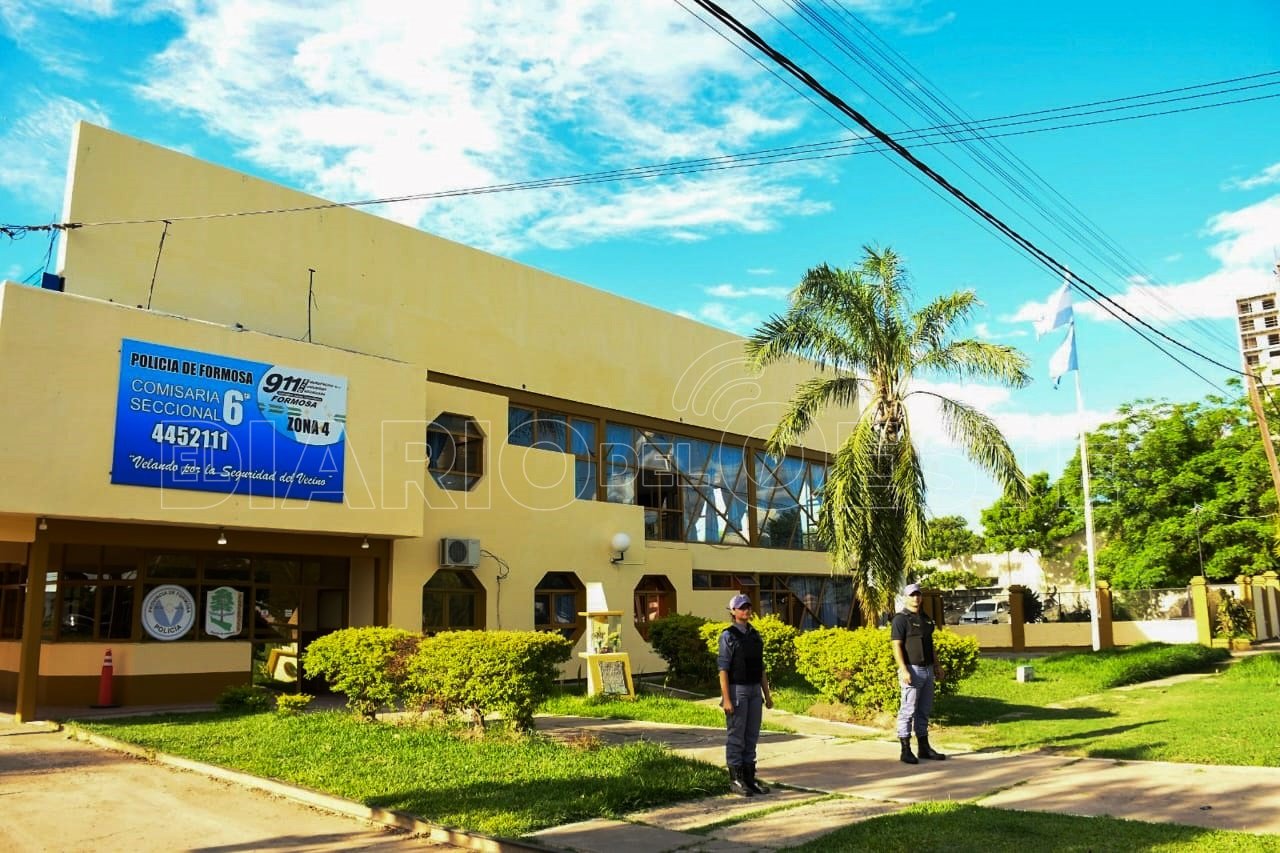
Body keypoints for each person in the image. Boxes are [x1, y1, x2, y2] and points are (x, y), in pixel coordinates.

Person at [718, 593, 773, 796]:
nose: (746, 610)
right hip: (737, 690)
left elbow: (761, 668)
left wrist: (767, 695)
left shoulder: (754, 635)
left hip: (754, 690)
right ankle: (736, 779)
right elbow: (723, 669)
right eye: (742, 607)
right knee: (737, 736)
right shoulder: (728, 636)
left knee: (751, 735)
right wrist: (727, 699)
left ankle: (750, 778)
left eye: (748, 607)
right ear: (733, 611)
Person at [890, 582, 947, 764]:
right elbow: (896, 645)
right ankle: (905, 750)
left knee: (924, 710)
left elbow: (931, 644)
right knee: (907, 710)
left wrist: (937, 666)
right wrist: (903, 669)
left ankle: (924, 748)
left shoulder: (926, 619)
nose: (916, 598)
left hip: (928, 669)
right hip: (912, 670)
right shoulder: (900, 619)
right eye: (912, 595)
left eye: (918, 594)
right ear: (906, 598)